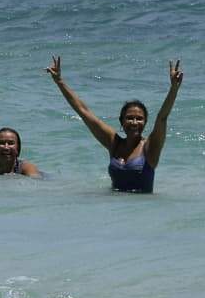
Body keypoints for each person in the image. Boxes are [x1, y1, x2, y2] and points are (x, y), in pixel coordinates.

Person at [46, 56, 183, 194]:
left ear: (145, 122)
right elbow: (84, 111)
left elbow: (162, 118)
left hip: (142, 206)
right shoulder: (114, 143)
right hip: (113, 206)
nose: (134, 122)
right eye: (129, 118)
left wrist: (174, 89)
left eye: (139, 119)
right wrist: (59, 81)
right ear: (121, 121)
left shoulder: (150, 148)